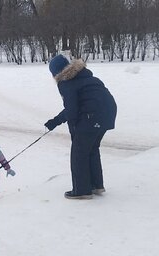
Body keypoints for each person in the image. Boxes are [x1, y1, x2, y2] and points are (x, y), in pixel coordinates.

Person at [44, 54, 117, 200]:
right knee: (91, 150)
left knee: (79, 154)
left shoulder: (66, 83)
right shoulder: (89, 78)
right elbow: (78, 106)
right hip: (107, 114)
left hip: (91, 116)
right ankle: (96, 185)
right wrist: (56, 120)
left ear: (56, 73)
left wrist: (58, 123)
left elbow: (72, 111)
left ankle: (82, 190)